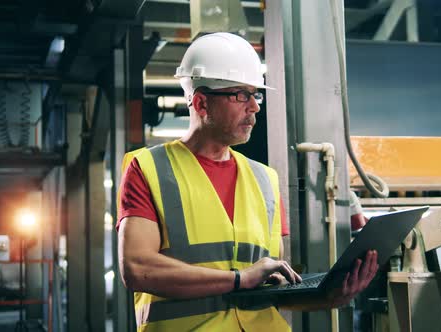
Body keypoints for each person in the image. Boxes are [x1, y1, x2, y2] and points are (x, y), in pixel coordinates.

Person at [117, 32, 378, 332]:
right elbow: (138, 268)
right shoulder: (148, 168)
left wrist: (328, 296)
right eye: (240, 95)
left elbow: (267, 292)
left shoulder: (265, 179)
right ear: (201, 103)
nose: (254, 106)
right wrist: (238, 279)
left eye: (256, 95)